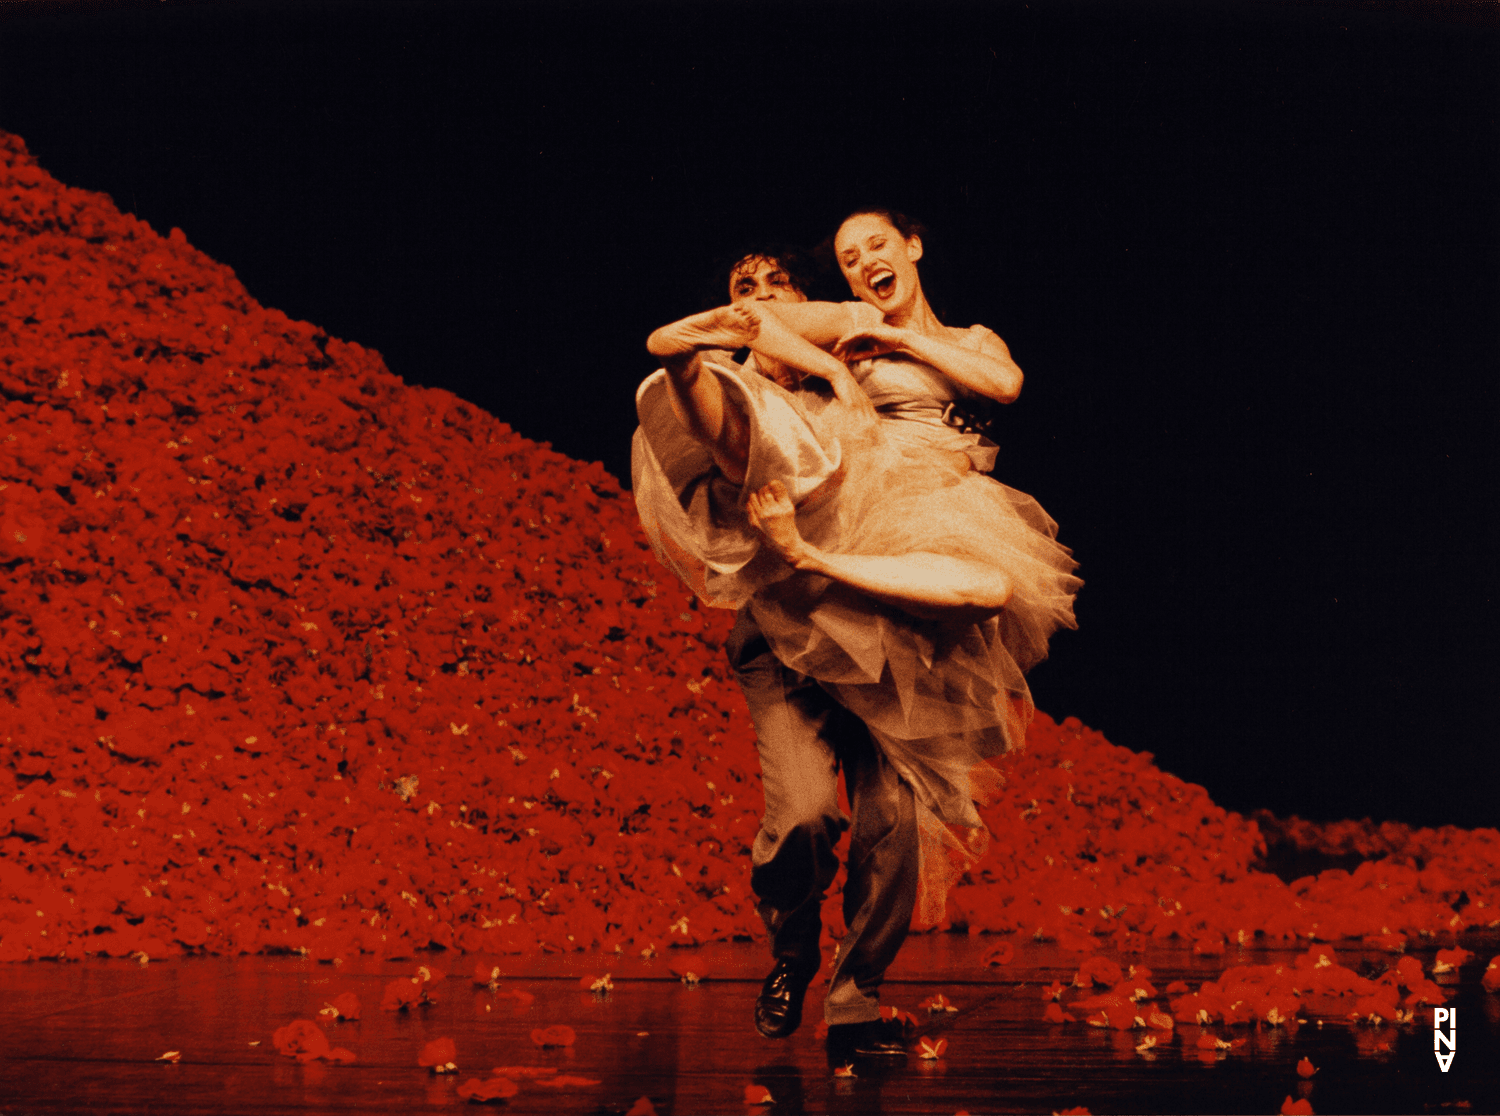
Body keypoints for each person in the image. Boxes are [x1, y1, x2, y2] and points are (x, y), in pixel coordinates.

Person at [631, 220, 1079, 1059]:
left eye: (873, 246)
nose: (862, 263)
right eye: (844, 259)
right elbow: (768, 329)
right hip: (808, 581)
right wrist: (828, 354)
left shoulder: (962, 338)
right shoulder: (822, 329)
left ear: (913, 244)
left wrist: (876, 339)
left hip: (912, 556)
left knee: (895, 820)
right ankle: (793, 949)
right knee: (801, 816)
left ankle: (855, 998)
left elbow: (1005, 384)